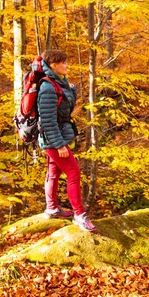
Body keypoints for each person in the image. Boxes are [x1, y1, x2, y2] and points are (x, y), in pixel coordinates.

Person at [37, 50, 96, 232]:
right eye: (63, 63)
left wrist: (72, 90)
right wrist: (60, 144)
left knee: (54, 171)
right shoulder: (47, 88)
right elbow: (47, 120)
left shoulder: (59, 83)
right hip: (53, 138)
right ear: (53, 66)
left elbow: (65, 108)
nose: (67, 65)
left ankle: (52, 207)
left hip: (57, 135)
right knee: (73, 172)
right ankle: (79, 215)